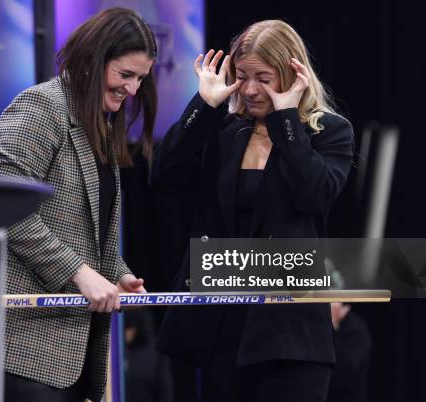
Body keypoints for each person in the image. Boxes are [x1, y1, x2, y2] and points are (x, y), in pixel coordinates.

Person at [151, 20, 354, 401]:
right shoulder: (222, 128)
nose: (249, 89)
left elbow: (314, 195)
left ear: (293, 73)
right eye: (241, 76)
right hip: (219, 328)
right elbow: (164, 178)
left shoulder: (328, 131)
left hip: (290, 337)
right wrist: (204, 105)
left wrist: (285, 120)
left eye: (263, 77)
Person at [0, 8, 157, 402]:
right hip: (23, 351)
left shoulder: (100, 122)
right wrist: (78, 272)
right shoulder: (40, 107)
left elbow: (90, 231)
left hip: (73, 356)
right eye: (124, 75)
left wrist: (118, 275)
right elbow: (6, 206)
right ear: (93, 61)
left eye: (140, 79)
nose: (132, 90)